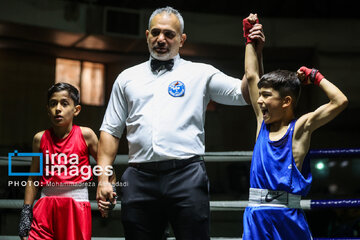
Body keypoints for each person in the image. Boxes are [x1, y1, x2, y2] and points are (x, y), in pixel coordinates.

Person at [96, 6, 265, 240]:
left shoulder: (201, 73)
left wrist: (254, 51)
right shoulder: (127, 78)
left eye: (169, 34)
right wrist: (103, 177)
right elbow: (110, 132)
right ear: (147, 36)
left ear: (182, 40)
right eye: (155, 33)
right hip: (139, 178)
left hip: (186, 176)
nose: (161, 39)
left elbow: (246, 94)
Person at [242, 14, 348, 239]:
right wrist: (250, 40)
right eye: (260, 95)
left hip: (287, 216)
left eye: (267, 96)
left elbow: (340, 101)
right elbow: (252, 76)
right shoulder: (262, 124)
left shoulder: (299, 128)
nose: (259, 101)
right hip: (255, 216)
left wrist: (315, 76)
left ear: (286, 102)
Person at [18, 82, 99, 240]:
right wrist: (26, 212)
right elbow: (33, 178)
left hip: (75, 207)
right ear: (48, 109)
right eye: (53, 104)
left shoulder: (86, 135)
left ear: (76, 110)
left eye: (64, 103)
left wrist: (108, 190)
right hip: (44, 206)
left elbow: (105, 166)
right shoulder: (39, 138)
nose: (58, 109)